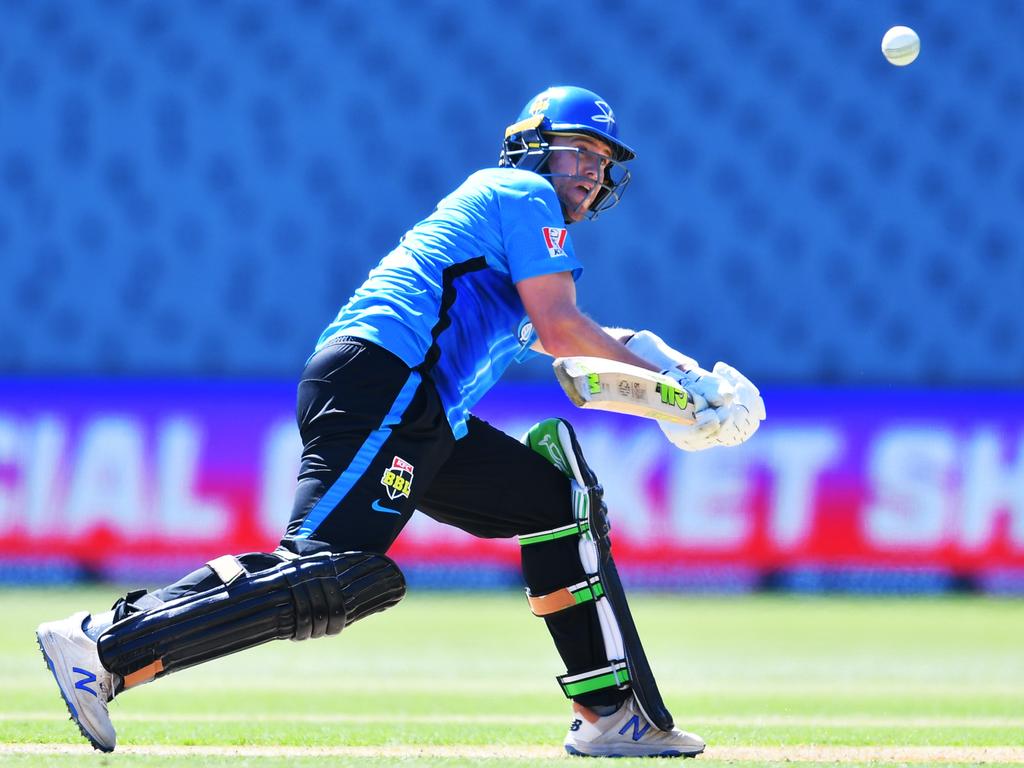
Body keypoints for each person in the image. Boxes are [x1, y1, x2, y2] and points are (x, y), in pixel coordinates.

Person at [36, 85, 765, 758]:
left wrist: (680, 383)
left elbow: (579, 361)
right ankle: (103, 646)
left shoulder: (522, 245)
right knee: (332, 574)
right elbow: (567, 328)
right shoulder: (518, 191)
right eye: (579, 150)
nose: (592, 172)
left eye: (604, 162)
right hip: (384, 379)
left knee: (554, 502)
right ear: (533, 147)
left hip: (425, 415)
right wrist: (678, 389)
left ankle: (611, 717)